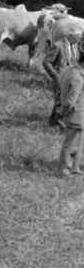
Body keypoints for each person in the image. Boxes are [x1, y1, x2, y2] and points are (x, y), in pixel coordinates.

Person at [57, 45, 84, 176]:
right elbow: (70, 102)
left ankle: (75, 168)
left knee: (77, 143)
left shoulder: (69, 71)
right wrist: (62, 113)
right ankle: (65, 170)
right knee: (70, 144)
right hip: (76, 115)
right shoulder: (78, 78)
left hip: (76, 115)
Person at [42, 36, 80, 127]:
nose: (79, 37)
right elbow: (46, 62)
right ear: (71, 34)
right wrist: (56, 76)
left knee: (69, 102)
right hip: (60, 79)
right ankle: (56, 125)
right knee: (60, 102)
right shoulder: (57, 45)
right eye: (78, 35)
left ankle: (55, 123)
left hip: (73, 79)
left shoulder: (75, 47)